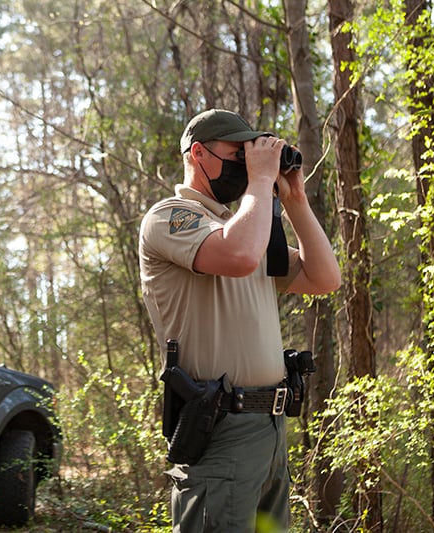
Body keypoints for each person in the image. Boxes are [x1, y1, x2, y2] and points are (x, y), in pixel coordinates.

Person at [139, 109, 341, 532]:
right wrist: (260, 181)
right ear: (198, 154)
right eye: (238, 155)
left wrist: (295, 199)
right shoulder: (169, 217)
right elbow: (238, 255)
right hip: (220, 427)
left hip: (270, 430)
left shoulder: (242, 228)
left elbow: (324, 277)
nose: (247, 166)